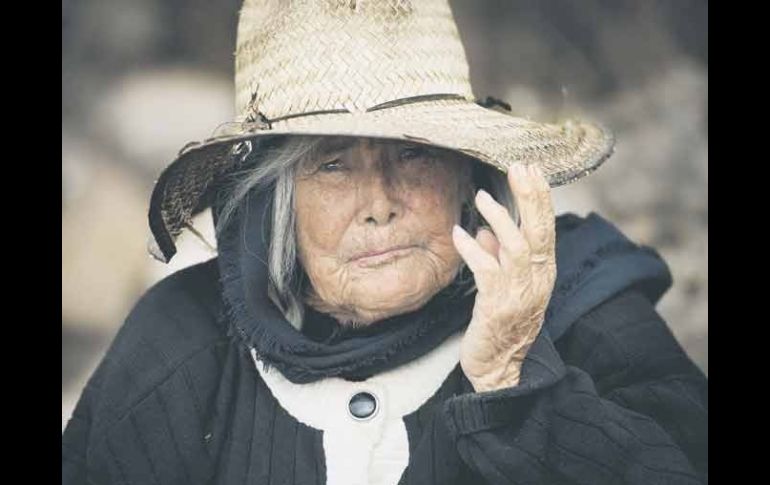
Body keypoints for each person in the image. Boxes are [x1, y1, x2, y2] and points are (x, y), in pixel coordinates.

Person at [62, 1, 707, 484]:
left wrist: (512, 382)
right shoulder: (181, 337)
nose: (379, 205)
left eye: (412, 154)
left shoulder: (574, 302)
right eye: (333, 165)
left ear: (466, 173)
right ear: (274, 201)